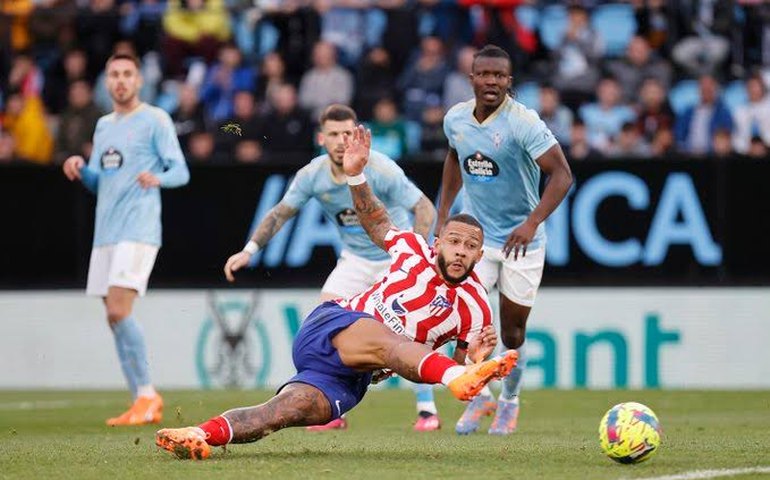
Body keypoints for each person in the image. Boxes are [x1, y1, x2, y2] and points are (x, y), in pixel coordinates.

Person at [155, 126, 518, 460]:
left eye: (470, 246)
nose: (460, 251)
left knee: (281, 413)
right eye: (453, 241)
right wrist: (356, 174)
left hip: (353, 375)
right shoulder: (411, 248)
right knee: (391, 344)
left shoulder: (477, 308)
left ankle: (200, 434)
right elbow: (376, 220)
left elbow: (452, 366)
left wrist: (473, 361)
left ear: (479, 255)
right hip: (333, 326)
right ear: (438, 242)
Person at [223, 104, 442, 431]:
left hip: (394, 260)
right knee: (324, 322)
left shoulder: (380, 169)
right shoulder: (313, 175)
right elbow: (281, 213)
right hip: (354, 260)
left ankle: (427, 411)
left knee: (405, 332)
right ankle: (333, 410)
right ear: (321, 138)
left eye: (348, 133)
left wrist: (417, 254)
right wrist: (249, 250)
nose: (342, 140)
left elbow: (423, 207)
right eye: (335, 134)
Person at [437, 45, 573, 436]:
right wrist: (444, 214)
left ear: (509, 81)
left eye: (500, 76)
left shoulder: (523, 123)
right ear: (472, 79)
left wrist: (531, 223)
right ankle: (479, 397)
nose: (492, 82)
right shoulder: (456, 119)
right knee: (463, 322)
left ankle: (509, 401)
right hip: (477, 240)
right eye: (485, 75)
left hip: (521, 244)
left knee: (512, 333)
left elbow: (562, 175)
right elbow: (454, 157)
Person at [61, 53, 190, 426]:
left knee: (119, 309)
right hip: (107, 232)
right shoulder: (103, 126)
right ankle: (140, 400)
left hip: (139, 228)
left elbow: (180, 170)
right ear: (106, 82)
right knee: (113, 316)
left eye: (127, 74)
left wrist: (158, 179)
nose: (120, 81)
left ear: (138, 81)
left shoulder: (155, 119)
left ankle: (148, 395)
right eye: (114, 74)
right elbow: (102, 181)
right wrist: (82, 170)